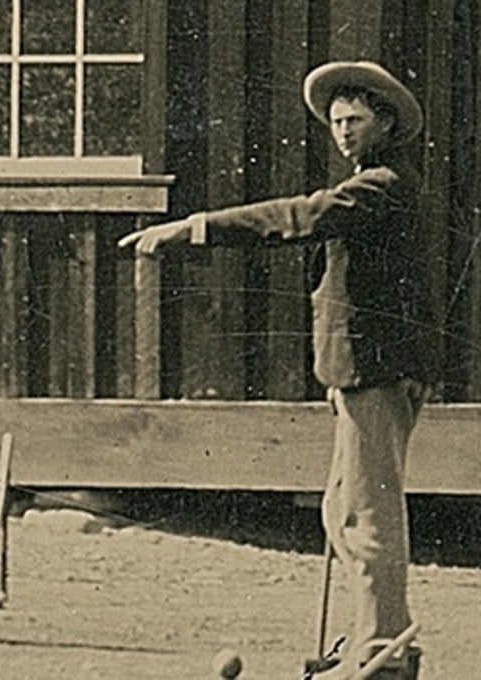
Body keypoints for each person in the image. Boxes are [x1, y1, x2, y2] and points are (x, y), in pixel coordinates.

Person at [120, 61, 433, 679]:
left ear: (386, 123)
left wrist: (197, 228)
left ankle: (385, 654)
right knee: (341, 507)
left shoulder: (384, 185)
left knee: (366, 515)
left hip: (376, 367)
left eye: (357, 121)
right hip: (357, 366)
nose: (343, 132)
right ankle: (376, 637)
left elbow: (301, 217)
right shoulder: (373, 182)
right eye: (337, 122)